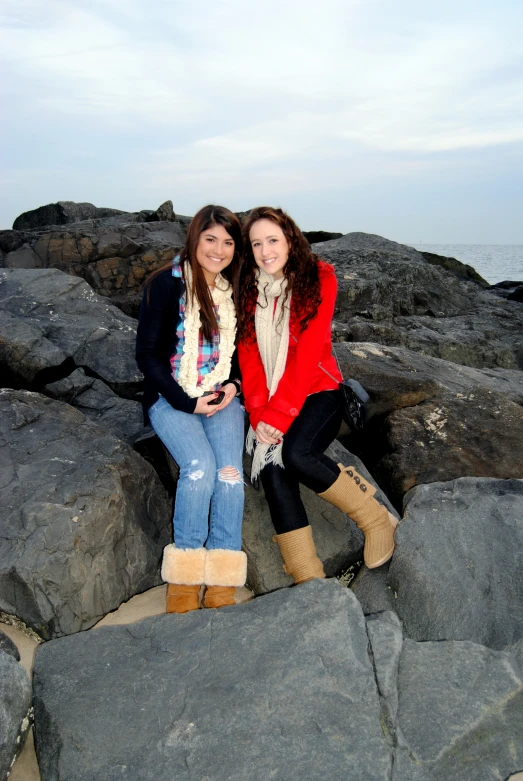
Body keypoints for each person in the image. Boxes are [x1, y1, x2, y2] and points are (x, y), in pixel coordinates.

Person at [237, 206, 397, 584]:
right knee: (273, 469)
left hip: (319, 392)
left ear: (290, 240)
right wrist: (260, 415)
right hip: (270, 399)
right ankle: (307, 576)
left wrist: (278, 417)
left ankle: (376, 520)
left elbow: (309, 352)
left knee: (295, 453)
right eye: (256, 243)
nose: (265, 251)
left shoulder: (318, 277)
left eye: (272, 240)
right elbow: (249, 357)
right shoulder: (248, 289)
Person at [136, 205, 247, 613]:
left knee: (230, 476)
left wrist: (234, 385)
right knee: (199, 468)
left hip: (220, 397)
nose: (218, 250)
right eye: (210, 239)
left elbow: (237, 355)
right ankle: (183, 579)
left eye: (228, 242)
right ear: (195, 239)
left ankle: (221, 580)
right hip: (173, 397)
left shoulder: (232, 290)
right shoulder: (165, 285)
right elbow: (146, 355)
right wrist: (188, 402)